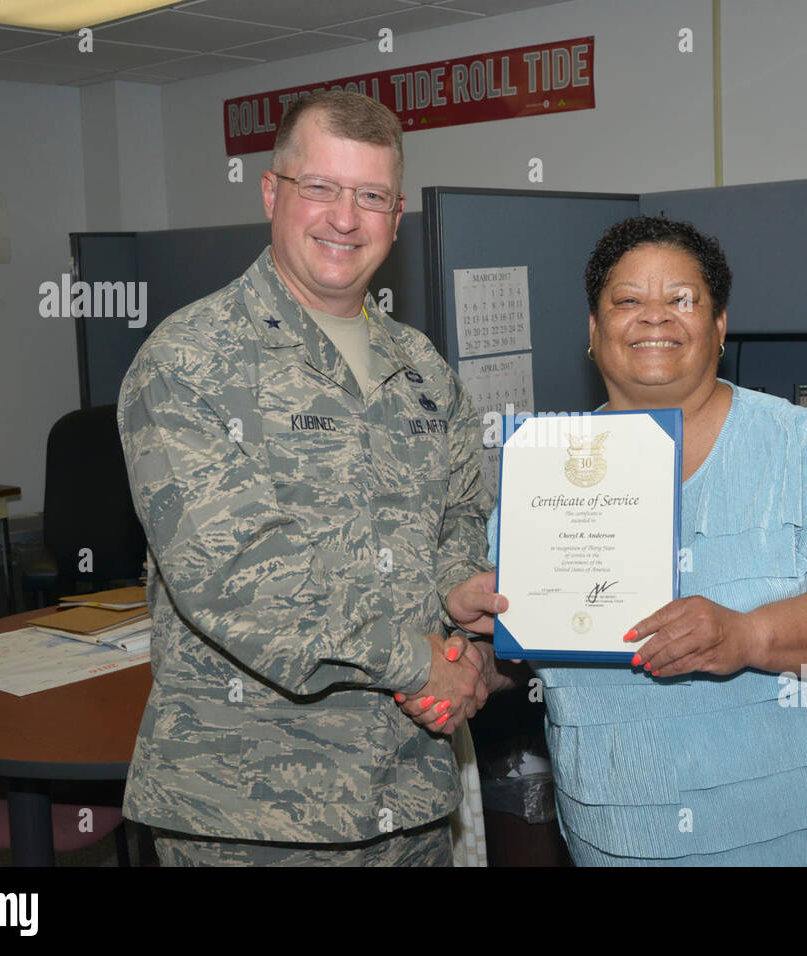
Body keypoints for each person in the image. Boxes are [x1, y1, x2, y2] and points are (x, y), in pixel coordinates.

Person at [406, 215, 807, 864]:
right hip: (625, 833)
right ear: (594, 332)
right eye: (627, 301)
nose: (654, 317)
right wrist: (473, 668)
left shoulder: (804, 446)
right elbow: (534, 650)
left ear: (718, 328)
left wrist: (749, 635)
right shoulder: (547, 466)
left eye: (682, 300)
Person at [117, 90, 505, 866]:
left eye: (370, 196)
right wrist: (419, 661)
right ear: (272, 193)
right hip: (252, 813)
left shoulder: (423, 368)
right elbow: (238, 574)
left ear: (397, 219)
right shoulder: (189, 360)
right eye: (320, 187)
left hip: (409, 797)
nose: (344, 218)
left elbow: (462, 514)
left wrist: (468, 619)